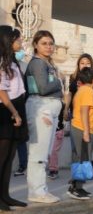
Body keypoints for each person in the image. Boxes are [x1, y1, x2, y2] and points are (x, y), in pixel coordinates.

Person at [25, 30, 65, 204]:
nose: (48, 47)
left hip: (48, 108)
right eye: (44, 43)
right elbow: (43, 88)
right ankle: (37, 191)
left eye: (50, 43)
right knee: (39, 153)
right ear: (35, 45)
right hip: (42, 108)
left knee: (44, 152)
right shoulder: (38, 63)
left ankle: (40, 189)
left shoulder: (46, 63)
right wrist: (59, 81)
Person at [0, 25, 28, 210]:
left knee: (10, 156)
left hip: (16, 106)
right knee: (2, 157)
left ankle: (5, 195)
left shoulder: (12, 62)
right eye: (17, 39)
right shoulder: (2, 61)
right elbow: (1, 91)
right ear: (8, 41)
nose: (20, 42)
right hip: (6, 110)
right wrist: (14, 112)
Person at [67, 67, 93, 200]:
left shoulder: (82, 90)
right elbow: (84, 111)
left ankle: (77, 186)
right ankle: (76, 188)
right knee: (82, 159)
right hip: (82, 129)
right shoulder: (88, 91)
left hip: (80, 128)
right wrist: (86, 131)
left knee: (80, 158)